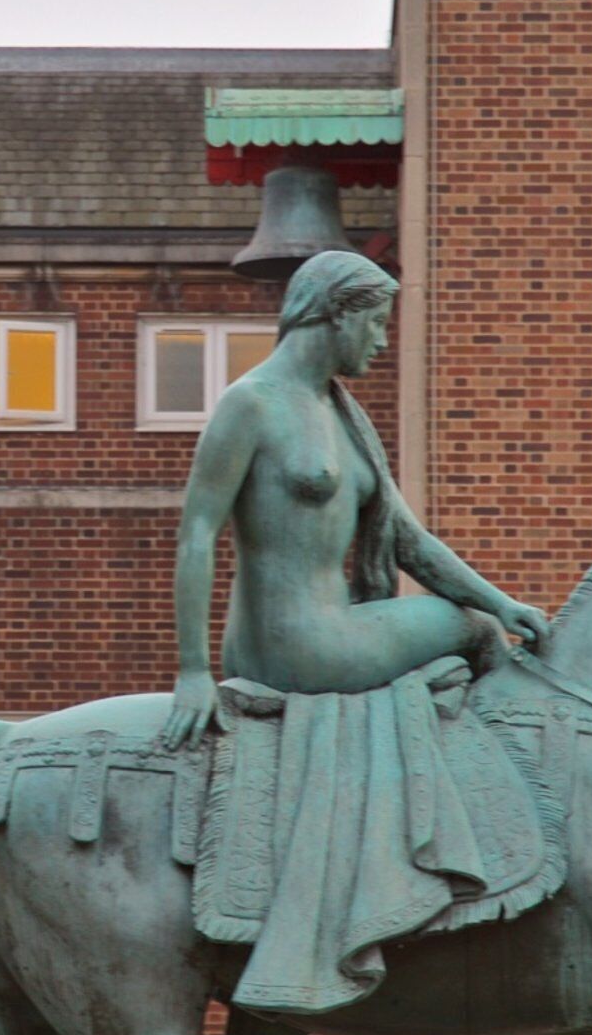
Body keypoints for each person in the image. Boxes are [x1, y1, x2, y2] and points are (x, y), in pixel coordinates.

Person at [159, 249, 552, 751]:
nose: (383, 342)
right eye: (376, 323)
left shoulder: (341, 414)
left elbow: (409, 542)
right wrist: (193, 671)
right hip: (294, 646)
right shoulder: (251, 403)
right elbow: (196, 534)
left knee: (484, 618)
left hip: (337, 627)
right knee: (474, 631)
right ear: (337, 312)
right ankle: (505, 764)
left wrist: (503, 604)